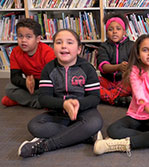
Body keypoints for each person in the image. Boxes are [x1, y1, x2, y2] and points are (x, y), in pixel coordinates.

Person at [17, 29, 103, 158]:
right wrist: (64, 104)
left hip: (84, 112)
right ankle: (83, 135)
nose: (64, 46)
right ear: (53, 47)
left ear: (79, 49)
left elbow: (94, 98)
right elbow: (43, 98)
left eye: (69, 42)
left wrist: (77, 103)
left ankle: (45, 146)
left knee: (95, 122)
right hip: (59, 114)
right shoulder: (49, 69)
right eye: (59, 42)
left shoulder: (87, 68)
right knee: (34, 126)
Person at [93, 34, 149, 155]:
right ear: (138, 54)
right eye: (145, 50)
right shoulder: (134, 71)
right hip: (136, 115)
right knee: (112, 130)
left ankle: (115, 145)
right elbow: (140, 98)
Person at [1, 18, 56, 108]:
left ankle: (20, 100)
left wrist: (35, 83)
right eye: (20, 36)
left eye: (28, 37)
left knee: (57, 91)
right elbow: (15, 77)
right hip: (30, 85)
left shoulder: (47, 52)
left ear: (38, 39)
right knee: (9, 88)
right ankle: (41, 102)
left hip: (45, 84)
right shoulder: (15, 52)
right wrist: (25, 83)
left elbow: (54, 79)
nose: (23, 40)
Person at [97, 12, 134, 106]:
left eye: (118, 29)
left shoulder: (132, 46)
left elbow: (135, 66)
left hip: (124, 82)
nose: (114, 31)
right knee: (92, 81)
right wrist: (118, 67)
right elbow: (103, 67)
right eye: (110, 29)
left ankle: (110, 97)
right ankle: (117, 98)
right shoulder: (104, 47)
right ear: (107, 33)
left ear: (124, 32)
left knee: (135, 81)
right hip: (108, 82)